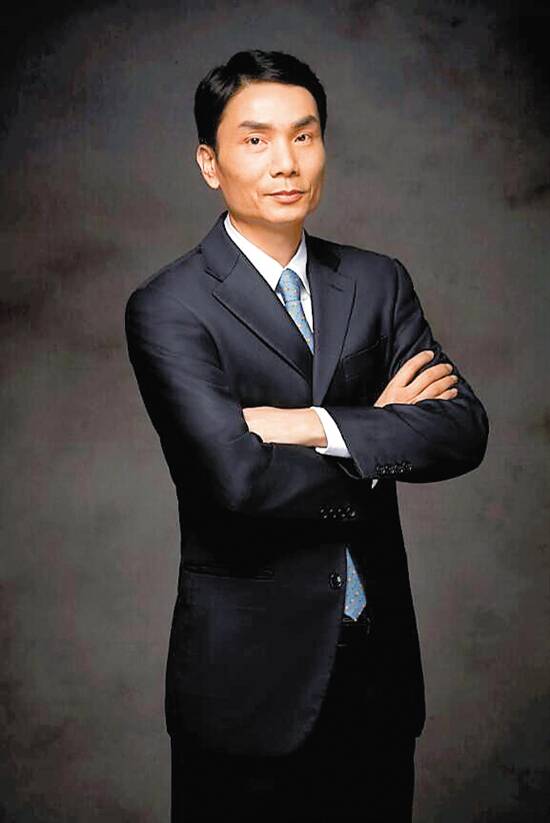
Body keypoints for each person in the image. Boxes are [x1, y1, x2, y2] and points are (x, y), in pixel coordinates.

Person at [124, 49, 489, 822]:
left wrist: (305, 425)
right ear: (209, 162)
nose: (285, 162)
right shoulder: (170, 306)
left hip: (379, 678)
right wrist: (379, 438)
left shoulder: (378, 281)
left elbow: (462, 430)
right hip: (246, 689)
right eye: (255, 139)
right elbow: (237, 479)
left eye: (304, 135)